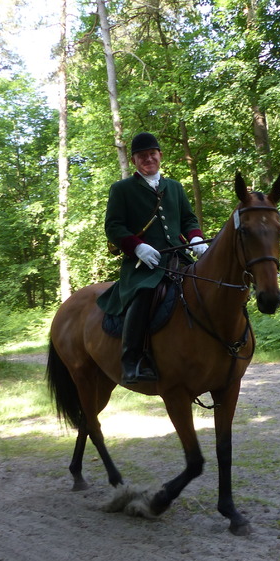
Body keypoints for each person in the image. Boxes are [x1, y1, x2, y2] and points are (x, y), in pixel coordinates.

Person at [97, 132, 209, 384]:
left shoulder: (175, 187)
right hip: (143, 263)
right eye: (142, 156)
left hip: (178, 257)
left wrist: (195, 238)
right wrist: (138, 247)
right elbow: (113, 227)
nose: (148, 159)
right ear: (135, 160)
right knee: (146, 292)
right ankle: (132, 361)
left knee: (207, 284)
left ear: (159, 156)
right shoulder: (121, 189)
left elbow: (188, 219)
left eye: (152, 154)